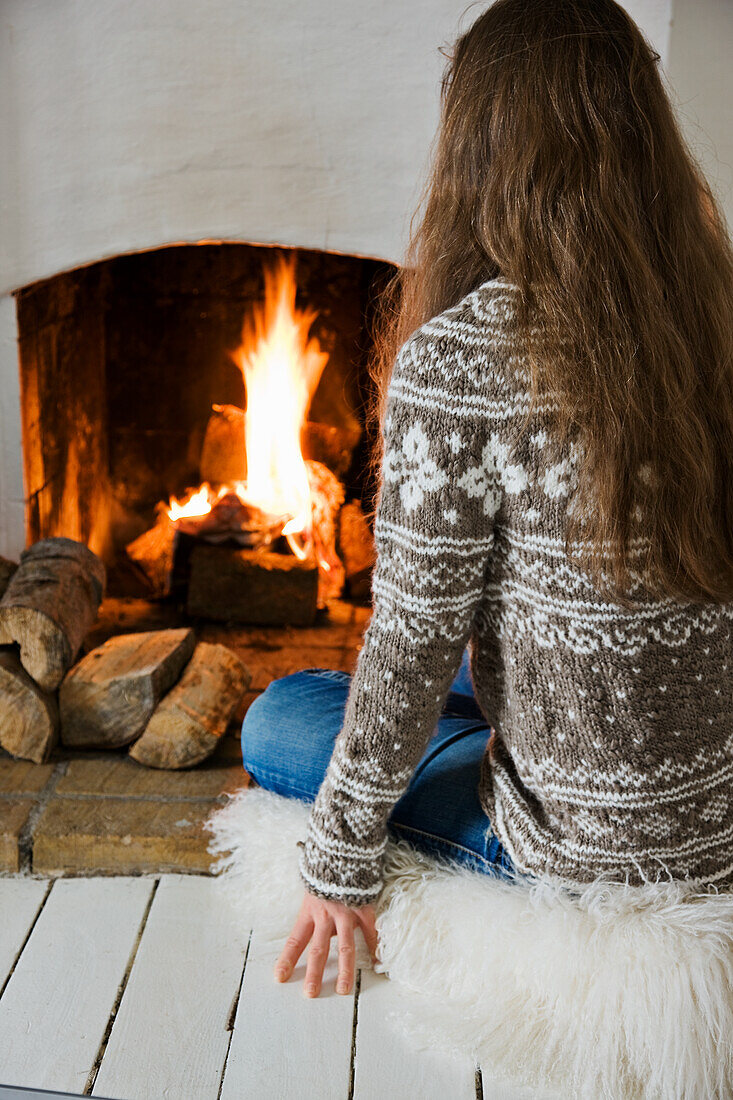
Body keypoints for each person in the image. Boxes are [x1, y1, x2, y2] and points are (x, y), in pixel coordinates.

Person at [240, 0, 733, 1000]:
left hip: (585, 857)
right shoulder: (715, 314)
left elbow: (415, 639)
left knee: (282, 716)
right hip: (716, 809)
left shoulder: (467, 357)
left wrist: (340, 858)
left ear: (478, 148)